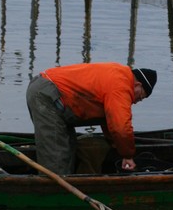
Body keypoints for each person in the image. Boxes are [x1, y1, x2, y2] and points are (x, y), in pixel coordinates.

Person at [26, 62, 157, 175]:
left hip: (52, 94)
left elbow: (109, 120)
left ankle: (68, 181)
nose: (137, 101)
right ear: (138, 85)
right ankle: (54, 195)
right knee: (55, 158)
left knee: (68, 147)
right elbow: (121, 127)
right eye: (141, 96)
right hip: (47, 96)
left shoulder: (118, 75)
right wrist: (127, 156)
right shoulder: (121, 85)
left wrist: (115, 145)